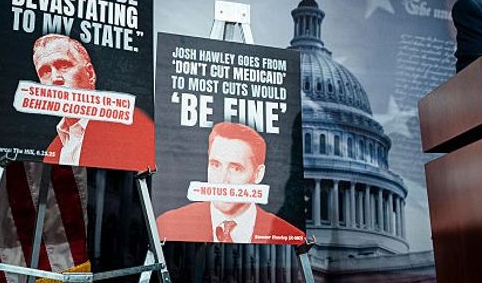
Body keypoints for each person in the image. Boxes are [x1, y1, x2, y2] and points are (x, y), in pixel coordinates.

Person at [156, 122, 304, 244]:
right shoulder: (168, 225)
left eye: (235, 168)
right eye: (215, 165)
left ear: (258, 174)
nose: (222, 179)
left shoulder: (288, 236)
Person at [32, 34, 154, 170]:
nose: (55, 79)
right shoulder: (53, 150)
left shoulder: (130, 124)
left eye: (63, 65)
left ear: (90, 74)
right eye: (45, 72)